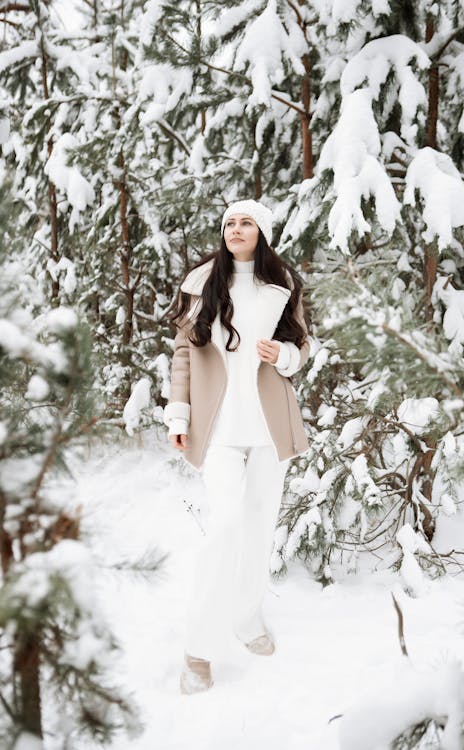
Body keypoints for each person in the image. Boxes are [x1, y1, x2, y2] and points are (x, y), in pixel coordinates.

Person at [164, 199, 313, 694]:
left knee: (258, 529)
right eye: (229, 222)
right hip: (220, 431)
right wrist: (179, 412)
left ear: (262, 232)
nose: (235, 228)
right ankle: (199, 650)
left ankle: (247, 619)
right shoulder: (202, 283)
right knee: (225, 528)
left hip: (269, 429)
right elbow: (183, 353)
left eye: (246, 221)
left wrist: (286, 354)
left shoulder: (281, 285)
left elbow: (304, 345)